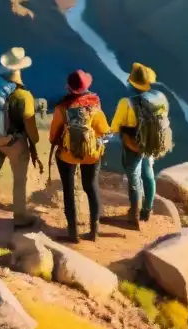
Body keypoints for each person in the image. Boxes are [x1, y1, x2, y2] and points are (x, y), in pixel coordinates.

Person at [0, 47, 42, 229]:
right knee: (19, 178)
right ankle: (20, 217)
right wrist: (35, 141)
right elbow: (31, 129)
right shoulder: (24, 95)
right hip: (15, 142)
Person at [48, 70, 110, 243]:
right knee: (91, 187)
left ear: (69, 87)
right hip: (91, 155)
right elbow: (104, 130)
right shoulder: (94, 106)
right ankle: (94, 231)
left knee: (68, 190)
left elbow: (53, 136)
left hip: (67, 156)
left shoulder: (62, 108)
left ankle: (73, 233)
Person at [110, 62, 172, 229]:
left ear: (132, 82)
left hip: (133, 146)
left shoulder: (126, 103)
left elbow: (114, 128)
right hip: (151, 143)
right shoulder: (160, 97)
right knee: (148, 173)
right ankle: (146, 211)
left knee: (134, 178)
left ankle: (134, 216)